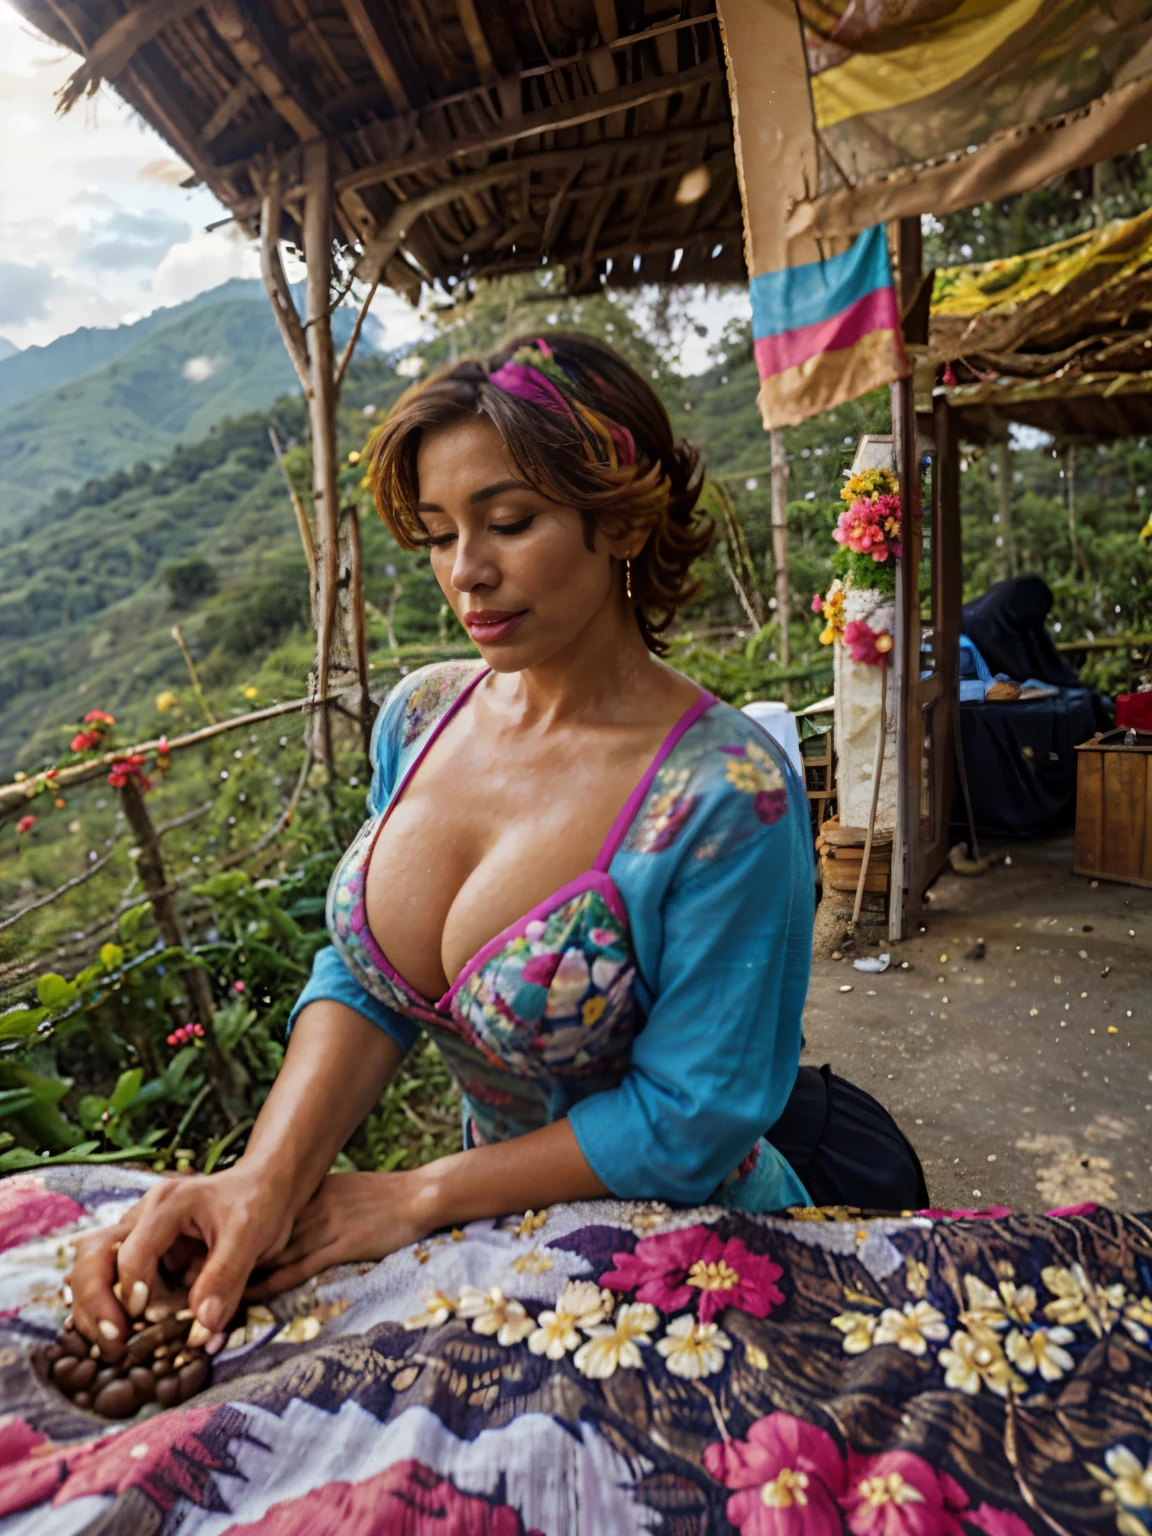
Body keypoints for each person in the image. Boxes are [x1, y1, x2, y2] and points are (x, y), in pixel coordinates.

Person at [66, 334, 918, 1357]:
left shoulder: (725, 794)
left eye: (509, 522)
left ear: (619, 519)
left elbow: (692, 1118)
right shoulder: (421, 719)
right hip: (488, 1234)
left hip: (688, 1257)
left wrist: (417, 1193)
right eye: (437, 534)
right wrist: (265, 1176)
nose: (466, 573)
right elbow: (369, 973)